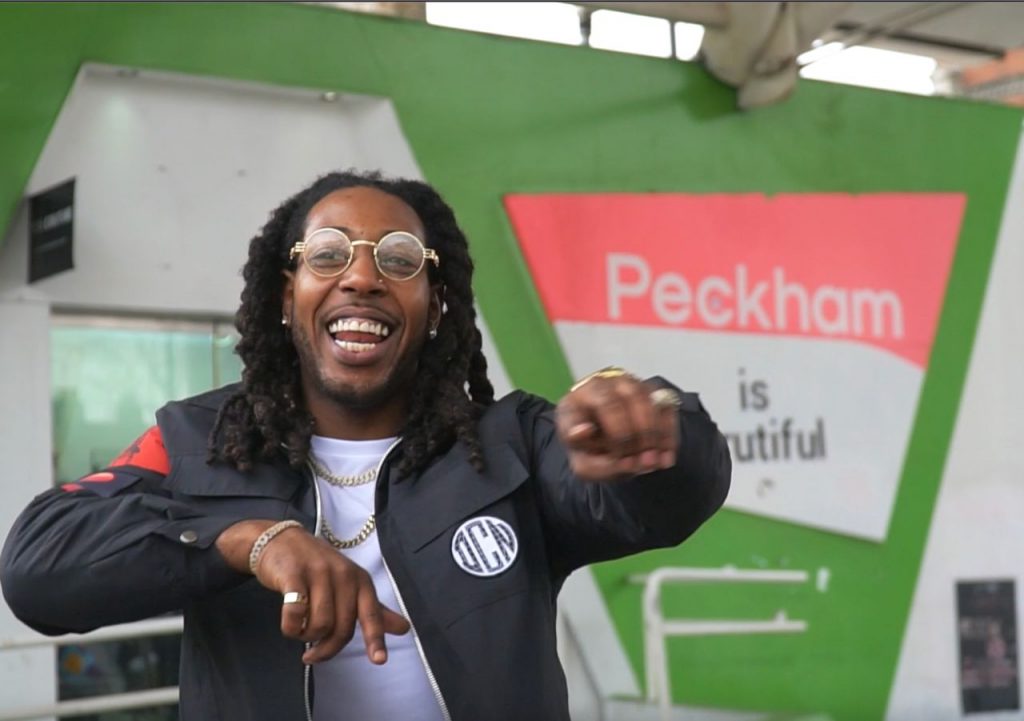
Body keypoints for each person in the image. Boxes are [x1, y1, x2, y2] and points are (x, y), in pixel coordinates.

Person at [1, 170, 731, 721]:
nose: (362, 276)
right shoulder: (201, 440)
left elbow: (671, 499)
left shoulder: (509, 445)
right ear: (286, 296)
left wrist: (654, 424)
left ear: (435, 305)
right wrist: (245, 542)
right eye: (327, 255)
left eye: (400, 259)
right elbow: (38, 564)